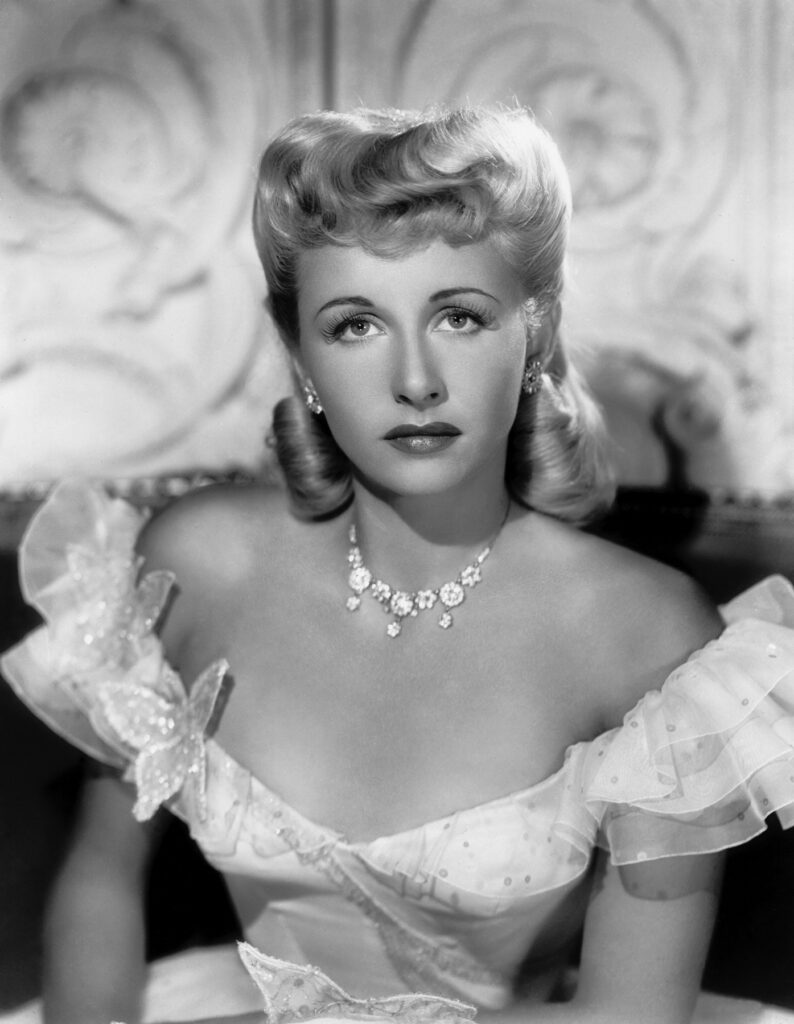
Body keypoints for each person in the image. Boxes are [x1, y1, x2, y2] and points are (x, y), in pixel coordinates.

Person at [3, 104, 794, 1024]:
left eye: (459, 316)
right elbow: (100, 880)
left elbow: (631, 1021)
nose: (416, 380)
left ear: (534, 331)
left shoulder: (648, 638)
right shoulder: (198, 565)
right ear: (300, 354)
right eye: (355, 326)